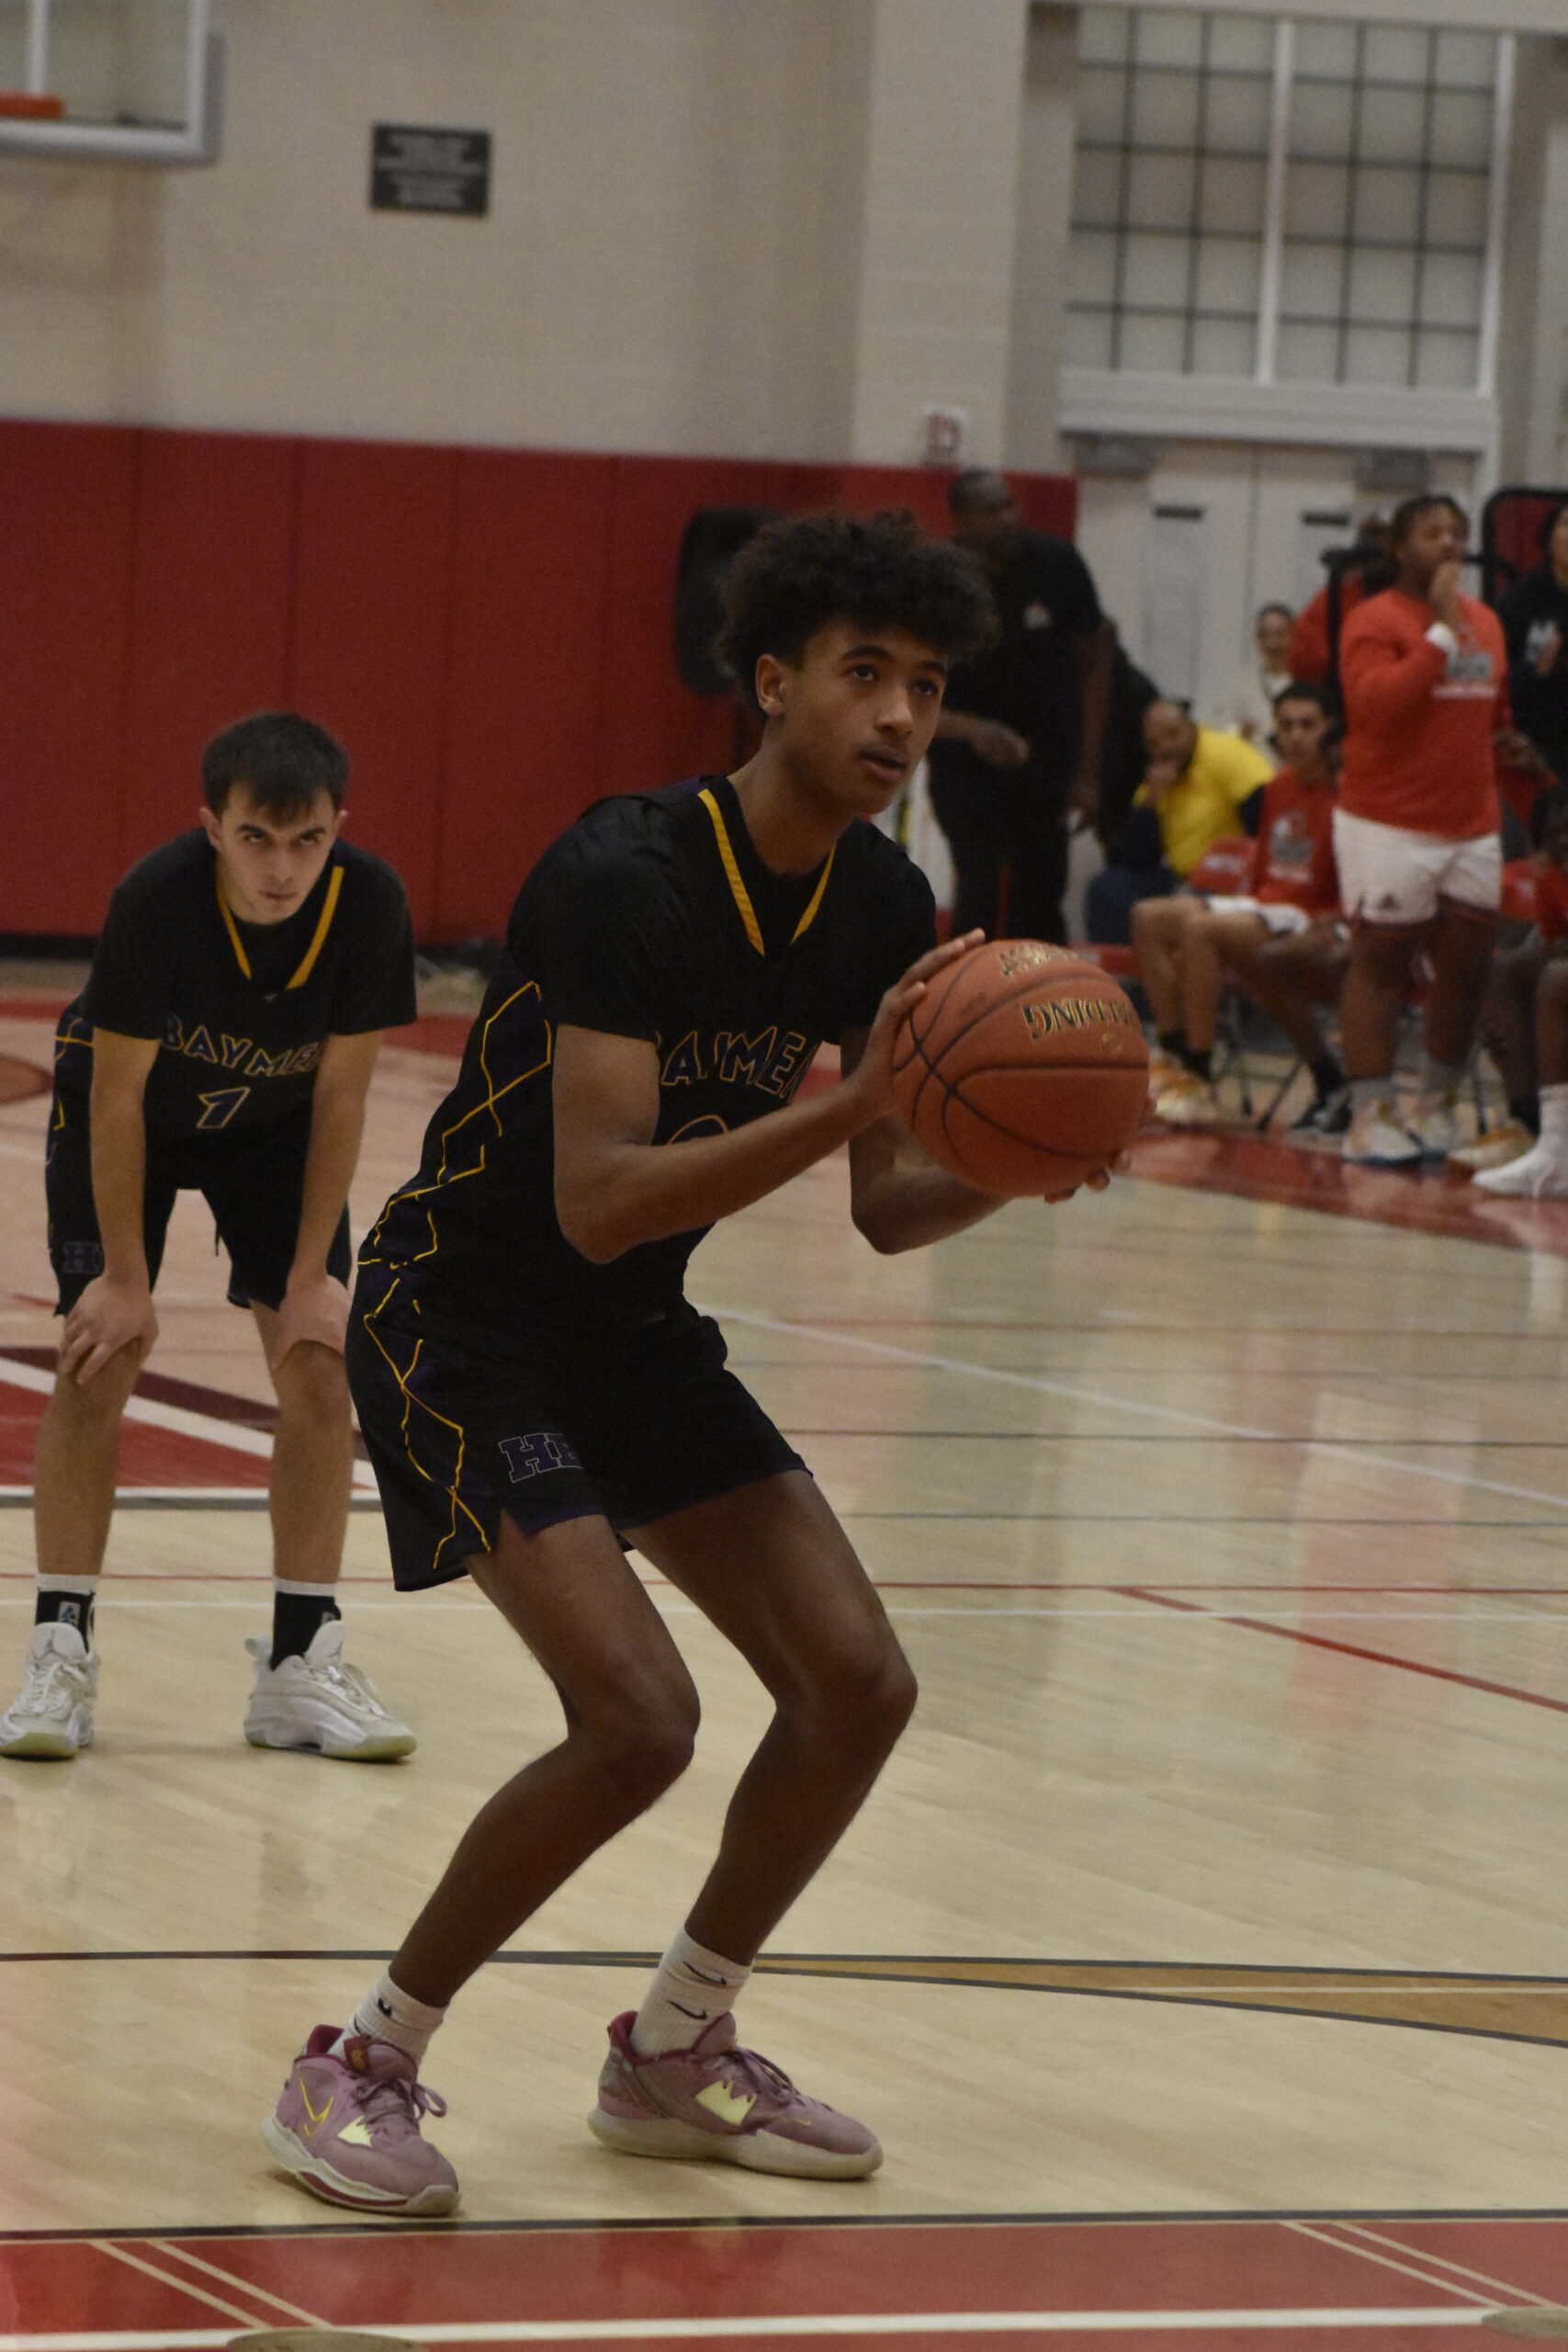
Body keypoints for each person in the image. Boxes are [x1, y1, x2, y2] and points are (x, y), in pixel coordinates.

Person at [260, 512, 1117, 2219]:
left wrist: (1017, 1162)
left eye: (928, 686)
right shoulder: (623, 874)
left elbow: (881, 1210)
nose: (897, 715)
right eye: (863, 674)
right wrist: (853, 1100)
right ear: (770, 679)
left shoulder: (881, 896)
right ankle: (357, 2061)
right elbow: (591, 1204)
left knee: (858, 1684)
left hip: (631, 1335)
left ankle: (672, 2052)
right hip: (465, 1316)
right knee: (639, 1718)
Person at [0, 714, 419, 1763]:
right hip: (131, 1116)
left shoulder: (369, 905)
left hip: (275, 1130)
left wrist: (317, 1270)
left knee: (321, 1363)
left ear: (339, 828)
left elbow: (343, 1095)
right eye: (256, 838)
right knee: (103, 1354)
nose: (283, 869)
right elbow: (119, 1100)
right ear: (212, 827)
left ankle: (298, 1664)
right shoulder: (156, 898)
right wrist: (126, 1280)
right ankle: (60, 1651)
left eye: (307, 840)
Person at [1333, 495, 1528, 1165]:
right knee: (1380, 962)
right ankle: (1370, 1111)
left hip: (1470, 820)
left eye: (1456, 533)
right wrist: (1439, 634)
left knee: (1469, 966)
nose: (1447, 544)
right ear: (1398, 546)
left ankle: (1435, 1102)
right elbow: (1376, 707)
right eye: (1430, 533)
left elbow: (1490, 709)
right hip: (1387, 821)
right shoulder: (1372, 619)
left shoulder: (1488, 621)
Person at [1133, 684, 1346, 1129]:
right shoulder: (1279, 785)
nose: (1296, 736)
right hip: (1268, 904)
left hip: (1315, 912)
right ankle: (1172, 1056)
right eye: (1286, 725)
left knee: (1203, 930)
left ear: (1329, 730)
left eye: (1308, 725)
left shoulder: (1346, 788)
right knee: (1148, 916)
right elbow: (1266, 866)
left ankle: (1199, 1072)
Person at [925, 468, 1111, 944]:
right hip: (965, 766)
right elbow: (906, 693)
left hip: (1048, 760)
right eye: (992, 510)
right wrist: (972, 731)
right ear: (962, 520)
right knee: (978, 895)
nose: (1009, 517)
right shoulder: (936, 582)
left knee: (1042, 900)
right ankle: (974, 1009)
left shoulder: (1057, 562)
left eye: (1010, 504)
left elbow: (1095, 662)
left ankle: (1049, 1011)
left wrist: (1089, 773)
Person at [1084, 700, 1274, 945]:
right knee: (1107, 888)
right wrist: (1151, 800)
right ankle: (1125, 979)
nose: (1165, 747)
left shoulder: (1226, 754)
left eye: (1173, 735)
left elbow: (1265, 819)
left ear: (1191, 727)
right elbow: (1134, 859)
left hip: (1230, 880)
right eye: (1154, 744)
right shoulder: (1158, 777)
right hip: (1181, 881)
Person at [1452, 782, 1568, 1185]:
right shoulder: (1553, 881)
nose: (1563, 843)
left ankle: (1557, 1147)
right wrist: (1505, 1022)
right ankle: (1528, 1123)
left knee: (1553, 978)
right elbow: (1555, 944)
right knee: (1510, 972)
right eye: (1552, 836)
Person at [1499, 499, 1568, 786]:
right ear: (1549, 540)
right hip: (1538, 741)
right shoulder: (1519, 602)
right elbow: (1497, 680)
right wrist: (1538, 670)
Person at [1219, 604, 1294, 746]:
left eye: (1280, 634)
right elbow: (1223, 731)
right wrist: (1240, 730)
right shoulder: (1242, 683)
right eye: (1264, 635)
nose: (1273, 643)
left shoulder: (1308, 681)